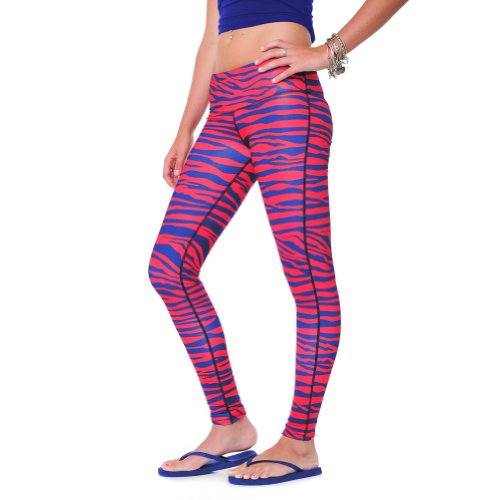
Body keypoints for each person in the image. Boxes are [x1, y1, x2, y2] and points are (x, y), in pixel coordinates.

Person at [148, 0, 409, 486]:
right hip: (224, 108)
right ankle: (229, 423)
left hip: (283, 100)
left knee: (308, 276)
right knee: (169, 266)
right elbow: (212, 36)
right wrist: (186, 127)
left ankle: (300, 442)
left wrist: (327, 52)